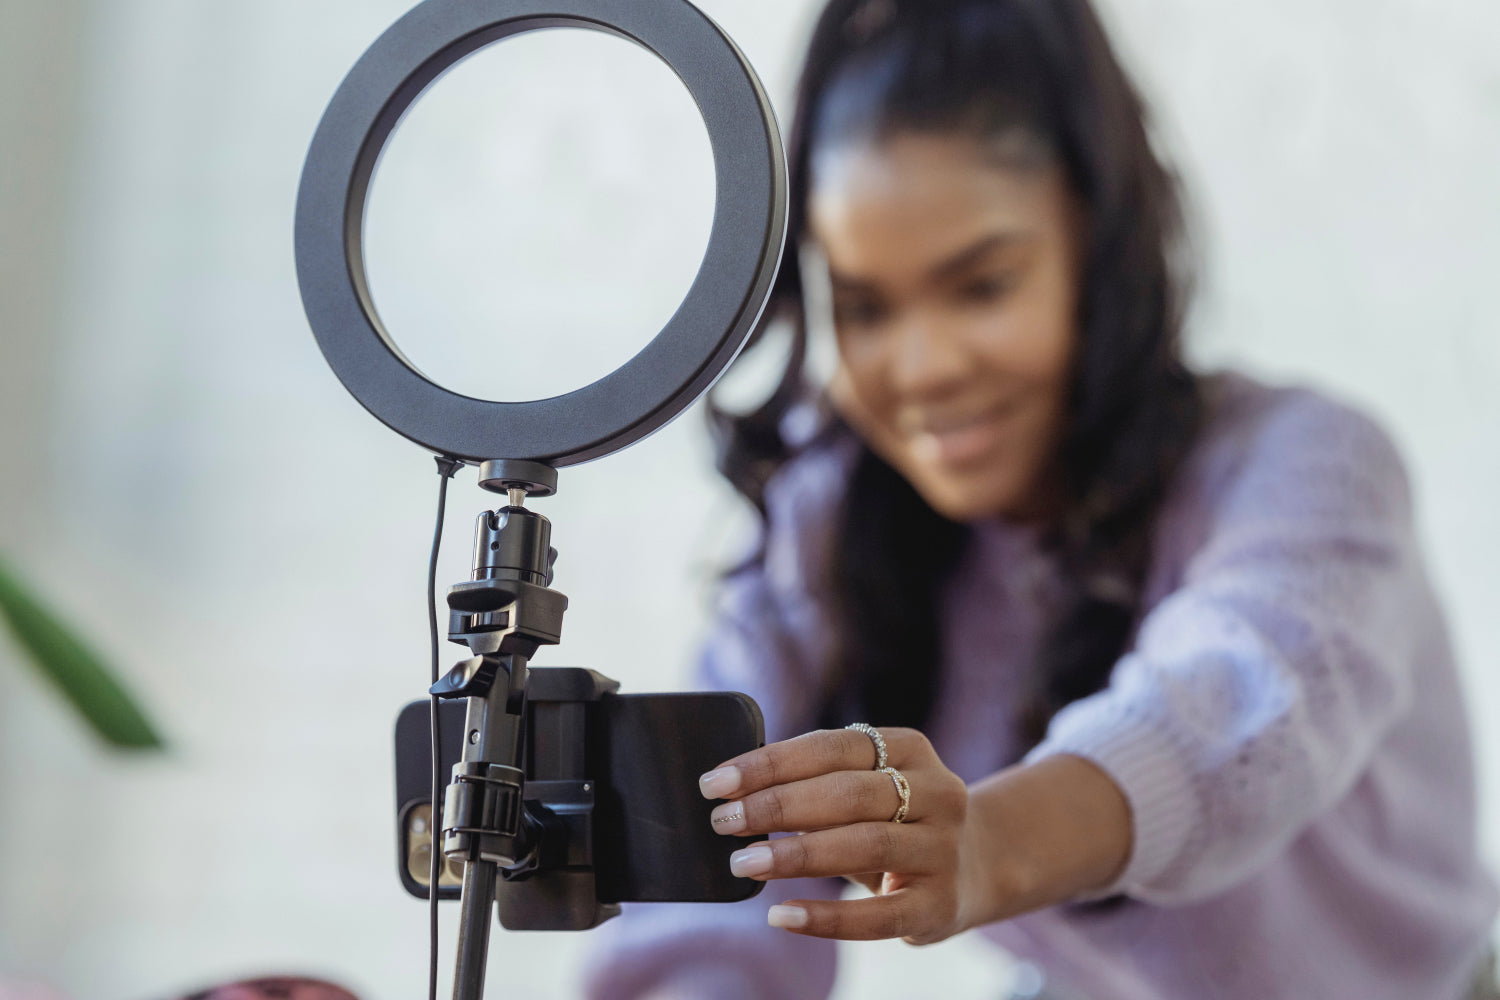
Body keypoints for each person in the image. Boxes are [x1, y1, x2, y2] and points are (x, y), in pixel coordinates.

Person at [584, 0, 1499, 997]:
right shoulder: (827, 523)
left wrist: (986, 844)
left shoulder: (1310, 466)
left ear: (1095, 247)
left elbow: (1230, 709)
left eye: (983, 285)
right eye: (867, 308)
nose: (923, 368)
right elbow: (709, 893)